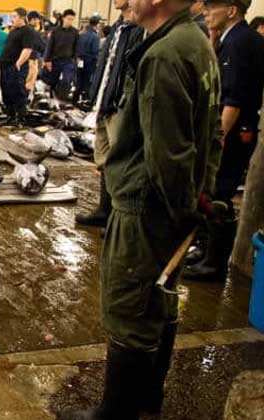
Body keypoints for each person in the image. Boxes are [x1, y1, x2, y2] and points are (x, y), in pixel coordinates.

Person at [59, 0, 221, 416]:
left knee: (129, 310)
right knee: (159, 300)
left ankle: (116, 413)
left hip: (146, 211)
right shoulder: (195, 40)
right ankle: (148, 398)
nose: (121, 2)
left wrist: (182, 209)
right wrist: (200, 199)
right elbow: (209, 134)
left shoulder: (164, 54)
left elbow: (169, 154)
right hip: (171, 209)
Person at [183, 0, 264, 280]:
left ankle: (214, 264)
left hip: (234, 129)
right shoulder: (228, 38)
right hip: (226, 126)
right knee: (211, 189)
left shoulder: (242, 41)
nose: (206, 12)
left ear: (232, 10)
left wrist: (214, 139)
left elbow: (234, 99)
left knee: (220, 192)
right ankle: (205, 250)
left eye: (212, 7)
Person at [75, 0, 143, 227]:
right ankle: (104, 210)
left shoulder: (138, 29)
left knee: (119, 161)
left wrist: (122, 102)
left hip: (119, 105)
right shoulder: (118, 26)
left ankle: (117, 216)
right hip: (104, 102)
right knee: (103, 157)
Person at [0, 7, 33, 126]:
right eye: (11, 17)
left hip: (16, 66)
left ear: (22, 18)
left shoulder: (27, 30)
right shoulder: (12, 31)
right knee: (6, 92)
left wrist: (19, 63)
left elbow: (27, 49)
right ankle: (10, 116)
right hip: (5, 66)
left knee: (18, 92)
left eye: (14, 17)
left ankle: (21, 119)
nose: (12, 19)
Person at [44, 9, 78, 100]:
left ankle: (62, 99)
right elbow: (50, 46)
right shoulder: (55, 31)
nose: (70, 21)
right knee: (52, 81)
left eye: (72, 19)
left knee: (67, 80)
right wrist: (47, 60)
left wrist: (75, 59)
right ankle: (52, 97)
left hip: (68, 61)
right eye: (68, 19)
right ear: (63, 18)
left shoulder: (75, 32)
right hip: (55, 59)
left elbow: (76, 46)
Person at [74, 15, 101, 105]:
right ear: (97, 25)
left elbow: (76, 48)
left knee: (78, 79)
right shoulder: (95, 37)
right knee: (87, 81)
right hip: (90, 61)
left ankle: (75, 99)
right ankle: (84, 101)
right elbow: (95, 51)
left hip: (79, 60)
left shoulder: (81, 35)